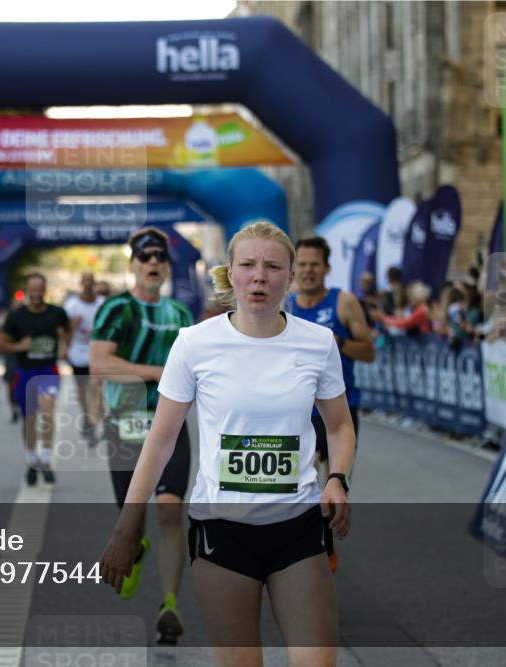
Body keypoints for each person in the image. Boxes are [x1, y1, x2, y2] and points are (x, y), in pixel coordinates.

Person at [100, 221, 355, 667]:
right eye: (249, 265)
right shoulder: (195, 343)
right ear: (230, 274)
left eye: (273, 267)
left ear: (290, 278)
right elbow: (160, 442)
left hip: (297, 526)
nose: (260, 276)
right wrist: (126, 527)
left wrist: (337, 479)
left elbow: (339, 426)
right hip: (222, 532)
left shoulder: (317, 343)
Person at [89, 227, 194, 645]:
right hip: (125, 422)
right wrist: (158, 374)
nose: (153, 264)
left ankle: (170, 603)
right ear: (132, 265)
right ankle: (134, 545)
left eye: (160, 259)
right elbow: (100, 363)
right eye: (145, 258)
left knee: (171, 512)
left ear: (167, 267)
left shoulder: (181, 315)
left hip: (168, 424)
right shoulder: (117, 308)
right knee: (128, 523)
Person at [289, 236, 374, 572]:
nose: (308, 271)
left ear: (326, 268)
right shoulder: (288, 306)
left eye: (315, 264)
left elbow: (369, 351)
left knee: (332, 482)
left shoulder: (344, 302)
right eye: (303, 265)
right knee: (303, 477)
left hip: (339, 407)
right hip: (299, 409)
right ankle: (315, 549)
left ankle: (324, 543)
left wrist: (338, 342)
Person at [0, 273, 69, 485]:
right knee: (30, 419)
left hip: (48, 371)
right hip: (25, 373)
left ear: (45, 290)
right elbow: (1, 344)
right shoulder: (16, 317)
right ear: (27, 291)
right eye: (33, 290)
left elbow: (67, 330)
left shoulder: (57, 313)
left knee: (47, 413)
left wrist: (64, 345)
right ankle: (31, 460)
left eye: (40, 289)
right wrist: (19, 346)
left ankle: (45, 460)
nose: (36, 294)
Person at [63, 272, 104, 443]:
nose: (87, 284)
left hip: (97, 355)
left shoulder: (102, 304)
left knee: (95, 390)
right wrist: (72, 326)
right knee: (82, 391)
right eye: (84, 280)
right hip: (77, 355)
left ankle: (92, 422)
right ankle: (87, 416)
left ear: (94, 283)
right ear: (80, 283)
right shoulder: (71, 306)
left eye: (90, 281)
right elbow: (63, 330)